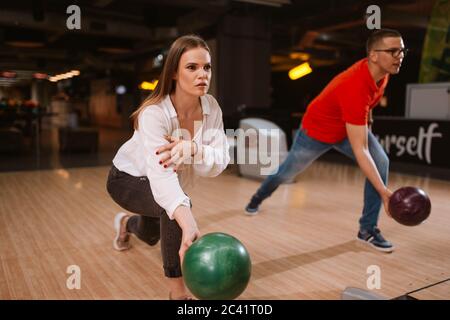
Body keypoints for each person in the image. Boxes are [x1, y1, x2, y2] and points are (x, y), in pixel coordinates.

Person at [245, 29, 408, 253]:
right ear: (373, 55)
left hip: (345, 130)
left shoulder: (382, 74)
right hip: (316, 132)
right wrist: (384, 192)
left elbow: (368, 106)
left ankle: (367, 229)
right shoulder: (355, 84)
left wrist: (367, 124)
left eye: (401, 50)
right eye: (393, 50)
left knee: (381, 161)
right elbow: (360, 149)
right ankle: (257, 198)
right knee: (285, 173)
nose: (399, 55)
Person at [106, 34, 230, 299]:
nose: (202, 74)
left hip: (162, 183)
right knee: (174, 207)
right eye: (192, 67)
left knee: (151, 235)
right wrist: (188, 223)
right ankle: (177, 293)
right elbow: (161, 177)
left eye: (207, 67)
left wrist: (194, 149)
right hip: (126, 179)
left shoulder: (211, 107)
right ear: (174, 72)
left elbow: (220, 162)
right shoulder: (154, 113)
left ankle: (126, 225)